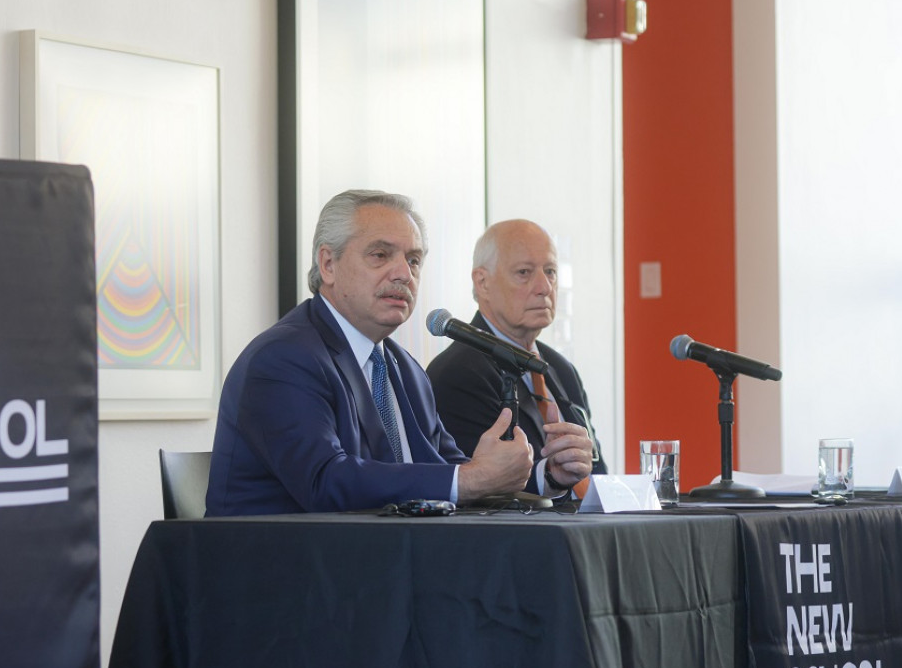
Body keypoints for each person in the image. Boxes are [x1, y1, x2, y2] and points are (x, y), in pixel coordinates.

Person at [205, 190, 534, 516]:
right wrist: (470, 479)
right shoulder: (283, 358)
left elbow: (446, 468)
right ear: (328, 264)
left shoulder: (404, 367)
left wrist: (540, 475)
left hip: (385, 555)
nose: (404, 273)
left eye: (414, 260)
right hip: (283, 561)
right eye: (380, 255)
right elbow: (325, 482)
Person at [426, 219, 607, 500]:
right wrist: (550, 477)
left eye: (550, 272)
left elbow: (596, 470)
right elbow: (481, 486)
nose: (544, 287)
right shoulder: (458, 372)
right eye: (524, 272)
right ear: (482, 282)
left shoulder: (560, 368)